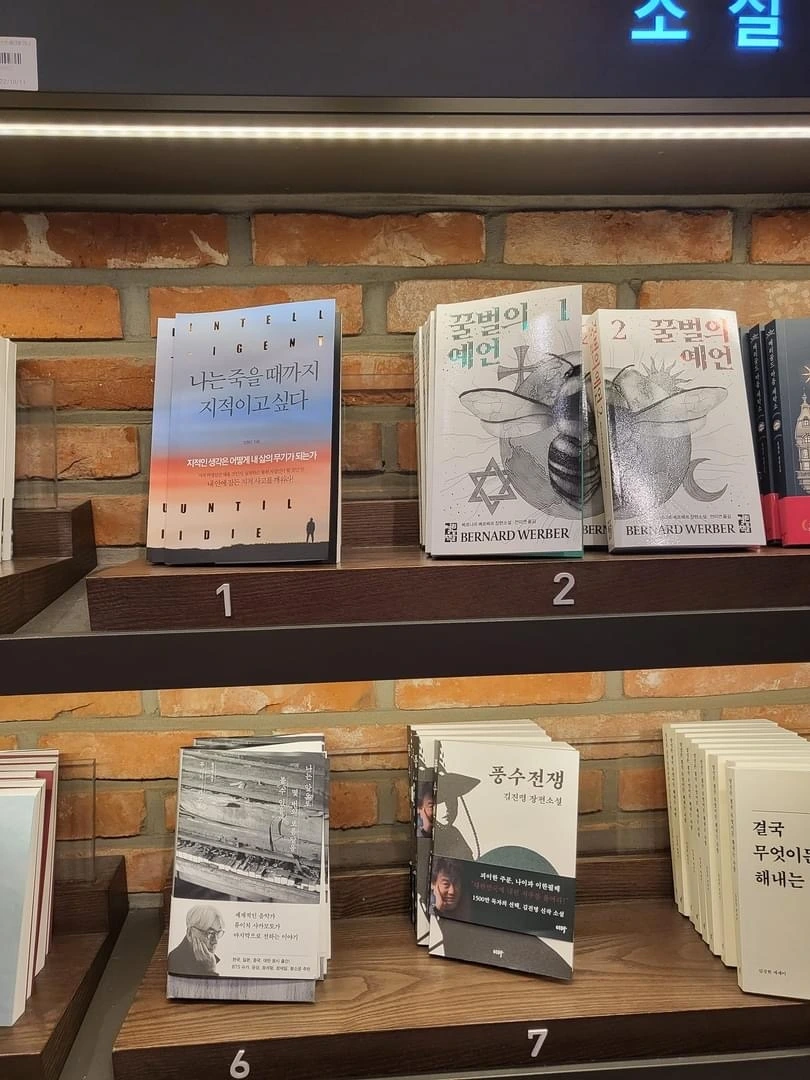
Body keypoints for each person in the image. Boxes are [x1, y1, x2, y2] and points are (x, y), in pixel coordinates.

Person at [167, 905, 225, 977]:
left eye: (218, 933)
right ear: (190, 933)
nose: (215, 941)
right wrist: (210, 970)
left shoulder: (208, 960)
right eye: (210, 933)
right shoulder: (176, 961)